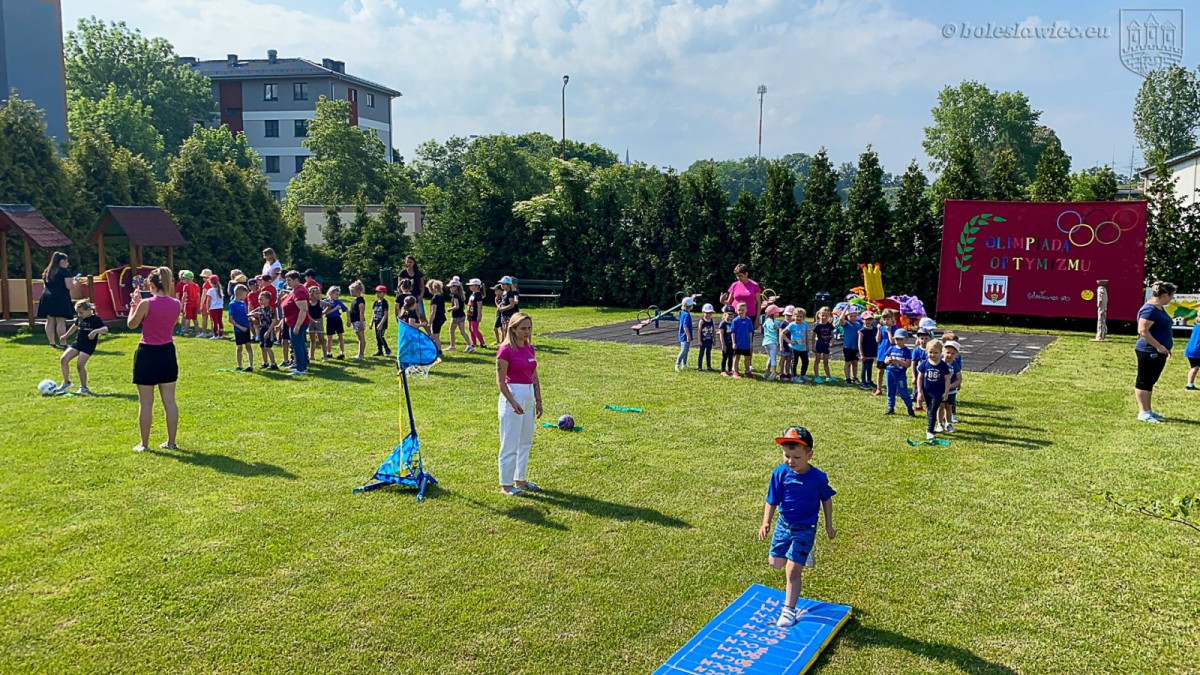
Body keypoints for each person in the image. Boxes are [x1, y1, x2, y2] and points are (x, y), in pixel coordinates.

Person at [757, 426, 836, 628]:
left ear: (809, 455)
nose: (791, 461)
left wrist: (828, 525)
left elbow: (826, 499)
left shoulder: (817, 478)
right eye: (787, 455)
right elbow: (771, 499)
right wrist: (766, 522)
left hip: (805, 527)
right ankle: (802, 553)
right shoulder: (780, 473)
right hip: (784, 525)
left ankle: (788, 611)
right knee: (775, 563)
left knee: (792, 570)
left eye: (797, 457)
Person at [127, 266, 181, 452]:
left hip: (147, 352)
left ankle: (144, 444)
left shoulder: (146, 303)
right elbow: (171, 325)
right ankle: (171, 442)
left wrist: (134, 304)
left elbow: (131, 324)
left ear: (151, 284)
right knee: (170, 401)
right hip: (167, 352)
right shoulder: (176, 303)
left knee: (146, 402)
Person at [496, 311, 542, 495]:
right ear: (513, 329)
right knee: (510, 442)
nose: (527, 332)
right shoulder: (505, 350)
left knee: (525, 441)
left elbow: (534, 375)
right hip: (512, 395)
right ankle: (506, 485)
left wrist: (538, 399)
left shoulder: (530, 348)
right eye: (523, 328)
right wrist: (512, 401)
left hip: (528, 394)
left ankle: (520, 480)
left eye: (529, 328)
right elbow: (500, 381)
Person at [1134, 281, 1175, 423]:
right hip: (1148, 350)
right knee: (1144, 381)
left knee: (1150, 381)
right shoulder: (1149, 309)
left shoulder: (1159, 308)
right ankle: (1142, 412)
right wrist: (1159, 346)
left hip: (1159, 351)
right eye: (1171, 295)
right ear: (1164, 295)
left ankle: (1148, 410)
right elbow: (1143, 331)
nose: (1172, 298)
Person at [57, 299, 107, 394]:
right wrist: (65, 336)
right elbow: (74, 327)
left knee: (80, 365)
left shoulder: (95, 319)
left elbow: (105, 329)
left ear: (88, 310)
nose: (80, 315)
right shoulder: (80, 318)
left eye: (81, 313)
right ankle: (66, 382)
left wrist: (95, 331)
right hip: (78, 343)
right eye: (78, 313)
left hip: (88, 346)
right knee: (63, 359)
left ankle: (84, 387)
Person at [37, 251, 78, 348]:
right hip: (60, 297)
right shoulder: (64, 272)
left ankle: (51, 342)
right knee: (60, 320)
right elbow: (69, 286)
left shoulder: (48, 271)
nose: (67, 263)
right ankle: (63, 342)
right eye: (67, 261)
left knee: (50, 320)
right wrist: (75, 282)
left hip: (47, 296)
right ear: (62, 261)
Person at [916, 339, 952, 440]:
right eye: (930, 352)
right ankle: (930, 424)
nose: (933, 355)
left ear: (941, 353)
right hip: (927, 391)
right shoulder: (925, 363)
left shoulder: (943, 366)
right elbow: (920, 377)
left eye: (935, 352)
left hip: (938, 393)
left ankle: (929, 430)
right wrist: (919, 391)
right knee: (929, 410)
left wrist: (946, 392)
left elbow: (947, 379)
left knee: (933, 410)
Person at [280, 270, 311, 376]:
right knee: (299, 344)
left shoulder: (300, 291)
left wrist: (297, 325)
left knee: (297, 345)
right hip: (292, 322)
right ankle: (301, 364)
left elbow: (303, 309)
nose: (287, 282)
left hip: (297, 322)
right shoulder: (295, 290)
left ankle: (300, 368)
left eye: (289, 280)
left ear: (296, 280)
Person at [883, 328, 915, 416]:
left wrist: (897, 361)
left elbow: (907, 364)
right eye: (897, 339)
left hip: (900, 374)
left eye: (901, 339)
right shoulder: (891, 349)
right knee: (890, 390)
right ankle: (890, 407)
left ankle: (909, 408)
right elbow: (885, 360)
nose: (899, 341)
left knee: (903, 391)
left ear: (906, 339)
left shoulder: (906, 351)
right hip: (889, 372)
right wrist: (888, 361)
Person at [726, 264, 763, 338]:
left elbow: (759, 303)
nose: (738, 278)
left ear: (746, 274)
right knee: (734, 337)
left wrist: (757, 319)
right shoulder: (734, 285)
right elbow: (729, 302)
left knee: (748, 338)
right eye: (737, 276)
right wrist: (722, 301)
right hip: (736, 315)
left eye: (740, 275)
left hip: (750, 316)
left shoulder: (754, 285)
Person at [229, 284, 255, 371]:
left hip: (246, 328)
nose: (246, 296)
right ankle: (239, 365)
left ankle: (250, 365)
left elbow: (244, 315)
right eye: (245, 294)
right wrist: (240, 327)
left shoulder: (243, 303)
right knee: (239, 347)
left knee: (248, 346)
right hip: (238, 329)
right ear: (239, 293)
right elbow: (230, 319)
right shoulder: (232, 304)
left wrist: (250, 317)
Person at [874, 309, 898, 396]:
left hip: (891, 354)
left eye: (888, 319)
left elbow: (892, 341)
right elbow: (877, 340)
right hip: (881, 353)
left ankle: (894, 389)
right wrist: (879, 330)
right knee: (880, 371)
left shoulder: (895, 329)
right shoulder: (882, 328)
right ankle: (879, 389)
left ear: (892, 319)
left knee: (892, 372)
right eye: (884, 319)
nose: (886, 321)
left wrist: (889, 331)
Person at [254, 290, 279, 370]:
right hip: (262, 328)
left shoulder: (270, 309)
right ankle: (265, 362)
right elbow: (250, 313)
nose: (259, 301)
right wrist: (253, 316)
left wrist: (268, 331)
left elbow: (274, 321)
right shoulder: (260, 309)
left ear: (267, 300)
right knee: (262, 346)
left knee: (268, 347)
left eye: (261, 299)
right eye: (259, 299)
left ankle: (273, 363)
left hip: (268, 329)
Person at [941, 341, 963, 431]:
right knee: (940, 406)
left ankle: (948, 423)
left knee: (948, 407)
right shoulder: (939, 363)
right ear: (943, 352)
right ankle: (939, 423)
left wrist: (951, 386)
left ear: (956, 355)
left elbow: (959, 379)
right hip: (940, 390)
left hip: (951, 390)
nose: (950, 355)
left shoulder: (955, 365)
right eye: (948, 352)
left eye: (953, 353)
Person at [396, 255, 425, 320]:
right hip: (405, 296)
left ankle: (428, 329)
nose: (409, 264)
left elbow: (422, 286)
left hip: (416, 296)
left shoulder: (418, 273)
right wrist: (403, 293)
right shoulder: (402, 273)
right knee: (405, 314)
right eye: (407, 262)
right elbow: (399, 285)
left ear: (414, 262)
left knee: (421, 314)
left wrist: (421, 295)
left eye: (410, 262)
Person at [731, 301, 755, 379]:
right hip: (738, 343)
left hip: (746, 343)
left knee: (747, 357)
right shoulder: (735, 320)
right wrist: (734, 342)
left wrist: (751, 342)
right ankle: (735, 371)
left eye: (742, 310)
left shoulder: (748, 320)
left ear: (746, 310)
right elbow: (733, 332)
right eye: (739, 310)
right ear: (736, 310)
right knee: (736, 357)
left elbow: (750, 332)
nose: (741, 311)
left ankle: (747, 371)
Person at [324, 286, 348, 360]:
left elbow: (346, 310)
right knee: (329, 337)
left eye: (338, 294)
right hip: (330, 320)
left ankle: (342, 352)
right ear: (331, 293)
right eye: (336, 294)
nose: (337, 296)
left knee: (340, 336)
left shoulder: (338, 302)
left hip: (337, 319)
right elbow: (326, 313)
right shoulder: (326, 302)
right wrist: (335, 309)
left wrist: (349, 319)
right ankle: (329, 352)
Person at [787, 307, 811, 383]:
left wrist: (808, 345)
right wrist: (789, 341)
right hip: (794, 347)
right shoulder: (791, 325)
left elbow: (806, 335)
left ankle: (803, 375)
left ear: (803, 317)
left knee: (806, 361)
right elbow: (782, 333)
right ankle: (794, 376)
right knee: (795, 362)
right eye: (797, 316)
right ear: (794, 316)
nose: (799, 318)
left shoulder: (805, 324)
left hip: (803, 347)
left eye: (801, 316)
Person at [812, 307, 835, 382]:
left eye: (826, 316)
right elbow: (813, 336)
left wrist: (832, 341)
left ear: (829, 316)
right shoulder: (817, 325)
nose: (824, 317)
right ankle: (817, 376)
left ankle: (828, 376)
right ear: (819, 315)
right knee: (817, 360)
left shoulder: (830, 325)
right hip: (819, 344)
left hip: (826, 345)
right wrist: (813, 346)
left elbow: (832, 335)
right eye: (822, 315)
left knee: (826, 361)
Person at [447, 277, 469, 352]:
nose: (450, 288)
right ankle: (469, 345)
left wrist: (450, 309)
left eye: (451, 287)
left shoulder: (455, 295)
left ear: (455, 287)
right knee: (462, 332)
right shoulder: (461, 294)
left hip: (456, 316)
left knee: (451, 331)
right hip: (462, 315)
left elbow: (457, 306)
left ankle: (452, 346)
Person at [910, 328, 930, 411]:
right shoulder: (917, 350)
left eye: (926, 338)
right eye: (922, 338)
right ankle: (919, 404)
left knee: (928, 389)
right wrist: (914, 376)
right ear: (918, 339)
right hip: (919, 374)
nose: (924, 341)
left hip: (929, 373)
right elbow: (913, 364)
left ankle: (928, 405)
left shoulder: (931, 350)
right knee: (919, 389)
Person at [426, 279, 447, 359]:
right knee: (436, 335)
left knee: (435, 336)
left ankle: (439, 351)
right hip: (442, 317)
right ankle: (437, 350)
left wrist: (430, 322)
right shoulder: (441, 296)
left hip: (437, 318)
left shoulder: (435, 298)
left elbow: (433, 312)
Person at [841, 308, 862, 385]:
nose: (853, 318)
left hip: (856, 347)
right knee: (848, 363)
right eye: (851, 316)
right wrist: (846, 308)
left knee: (855, 363)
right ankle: (847, 378)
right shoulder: (846, 324)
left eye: (854, 316)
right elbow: (841, 318)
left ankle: (854, 377)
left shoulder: (858, 324)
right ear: (847, 316)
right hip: (847, 347)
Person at [761, 304, 782, 380]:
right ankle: (773, 372)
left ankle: (767, 371)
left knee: (770, 357)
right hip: (773, 342)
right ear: (773, 313)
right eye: (777, 312)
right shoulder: (777, 322)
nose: (779, 313)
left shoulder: (766, 321)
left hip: (766, 342)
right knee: (773, 358)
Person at [858, 312, 878, 391]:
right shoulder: (862, 331)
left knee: (870, 366)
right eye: (866, 319)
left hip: (871, 351)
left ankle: (869, 380)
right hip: (865, 351)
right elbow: (859, 343)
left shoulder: (875, 329)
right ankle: (863, 382)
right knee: (864, 367)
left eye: (870, 319)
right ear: (863, 320)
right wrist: (861, 354)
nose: (868, 321)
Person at [347, 280, 367, 361]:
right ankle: (360, 353)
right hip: (355, 321)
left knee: (361, 338)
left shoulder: (360, 300)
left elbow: (361, 312)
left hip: (359, 321)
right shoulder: (355, 299)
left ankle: (361, 354)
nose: (351, 292)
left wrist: (361, 323)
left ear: (358, 291)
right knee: (359, 338)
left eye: (352, 291)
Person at [307, 285, 328, 362]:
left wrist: (323, 313)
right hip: (311, 321)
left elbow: (329, 305)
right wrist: (312, 321)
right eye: (316, 293)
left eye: (319, 293)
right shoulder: (308, 303)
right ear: (311, 294)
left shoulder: (319, 302)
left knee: (321, 339)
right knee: (312, 339)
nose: (318, 295)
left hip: (319, 321)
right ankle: (311, 355)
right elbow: (306, 313)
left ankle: (325, 356)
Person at [177, 270, 201, 336]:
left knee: (187, 318)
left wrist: (181, 305)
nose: (182, 280)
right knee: (195, 318)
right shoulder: (197, 286)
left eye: (183, 278)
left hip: (188, 304)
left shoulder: (186, 286)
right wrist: (198, 305)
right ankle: (197, 332)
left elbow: (184, 296)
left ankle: (186, 332)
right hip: (195, 304)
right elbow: (198, 296)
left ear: (187, 279)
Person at [371, 284, 391, 357]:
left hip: (382, 322)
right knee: (377, 336)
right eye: (377, 292)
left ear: (384, 293)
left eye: (380, 292)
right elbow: (374, 312)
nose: (378, 294)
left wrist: (381, 323)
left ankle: (387, 349)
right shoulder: (376, 302)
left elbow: (385, 314)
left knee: (380, 335)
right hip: (376, 321)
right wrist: (371, 322)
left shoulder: (384, 302)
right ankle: (380, 350)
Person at [466, 278, 486, 351]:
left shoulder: (478, 295)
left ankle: (482, 343)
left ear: (477, 286)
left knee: (474, 329)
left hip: (475, 315)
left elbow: (479, 306)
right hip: (470, 314)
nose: (470, 287)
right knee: (470, 329)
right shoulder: (473, 294)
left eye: (472, 285)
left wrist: (479, 315)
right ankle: (474, 342)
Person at [676, 296, 694, 372]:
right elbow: (685, 326)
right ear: (690, 306)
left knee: (686, 350)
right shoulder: (687, 315)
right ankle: (677, 364)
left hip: (682, 335)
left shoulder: (682, 312)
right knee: (684, 350)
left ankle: (684, 364)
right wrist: (688, 336)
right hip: (685, 336)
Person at [205, 274, 225, 339]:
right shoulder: (220, 289)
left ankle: (215, 335)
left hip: (213, 308)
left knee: (214, 321)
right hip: (220, 308)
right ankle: (221, 334)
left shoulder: (210, 290)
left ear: (210, 282)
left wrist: (207, 308)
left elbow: (208, 300)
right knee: (220, 321)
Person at [697, 303, 716, 372]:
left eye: (710, 313)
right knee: (701, 353)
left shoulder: (712, 320)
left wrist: (714, 339)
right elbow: (699, 330)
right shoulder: (702, 321)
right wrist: (699, 340)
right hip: (703, 340)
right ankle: (699, 367)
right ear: (703, 312)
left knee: (708, 353)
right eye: (707, 313)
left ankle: (709, 366)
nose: (708, 315)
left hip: (709, 340)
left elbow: (714, 330)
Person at [718, 307, 736, 376]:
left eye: (732, 314)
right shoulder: (723, 323)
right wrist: (723, 344)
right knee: (724, 357)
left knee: (731, 357)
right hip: (725, 343)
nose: (731, 316)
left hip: (731, 343)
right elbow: (721, 334)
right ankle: (723, 370)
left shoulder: (733, 323)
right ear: (725, 314)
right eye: (729, 314)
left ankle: (730, 369)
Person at [1185, 320, 1200, 391]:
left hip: (1190, 350)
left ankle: (1189, 384)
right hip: (1197, 350)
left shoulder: (1196, 326)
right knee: (1195, 367)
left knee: (1194, 367)